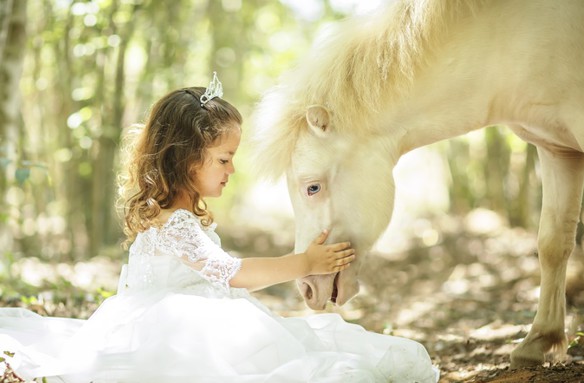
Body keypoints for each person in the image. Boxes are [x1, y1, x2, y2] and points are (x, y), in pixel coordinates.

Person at [0, 73, 439, 383]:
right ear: (183, 157)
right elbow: (232, 273)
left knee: (307, 347)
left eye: (232, 158)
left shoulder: (180, 217)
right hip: (172, 334)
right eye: (223, 159)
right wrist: (303, 261)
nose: (231, 170)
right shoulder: (172, 223)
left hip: (200, 321)